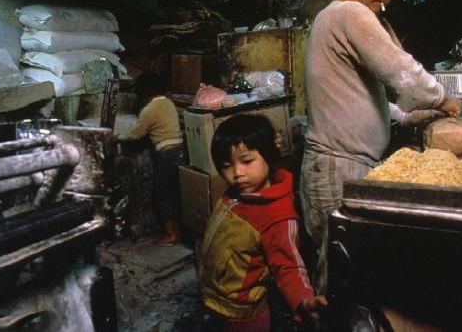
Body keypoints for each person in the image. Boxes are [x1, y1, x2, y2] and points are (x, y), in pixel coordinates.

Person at [300, 0, 462, 294]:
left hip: (340, 166)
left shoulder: (333, 19)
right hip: (337, 169)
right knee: (340, 285)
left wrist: (404, 118)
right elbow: (401, 71)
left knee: (345, 276)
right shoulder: (349, 13)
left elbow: (358, 97)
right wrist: (446, 99)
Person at [198, 114, 327, 331]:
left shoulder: (277, 216)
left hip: (243, 315)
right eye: (227, 165)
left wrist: (303, 300)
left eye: (247, 161)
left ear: (268, 155)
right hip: (215, 301)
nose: (237, 173)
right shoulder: (238, 193)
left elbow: (289, 266)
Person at [117, 72, 186, 246]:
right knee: (174, 193)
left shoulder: (149, 109)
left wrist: (115, 135)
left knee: (162, 195)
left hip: (165, 154)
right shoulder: (168, 103)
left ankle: (170, 235)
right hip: (179, 151)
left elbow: (135, 134)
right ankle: (177, 231)